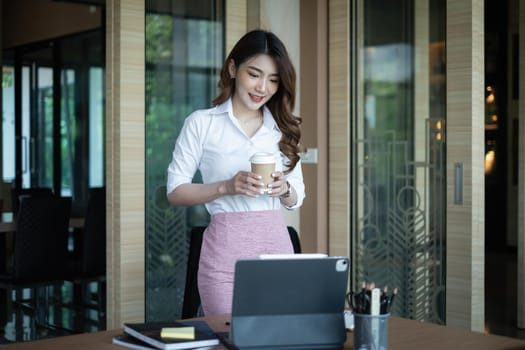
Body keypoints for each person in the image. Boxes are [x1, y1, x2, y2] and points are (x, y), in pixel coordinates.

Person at [166, 29, 305, 315]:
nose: (262, 87)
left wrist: (285, 190)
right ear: (233, 68)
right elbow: (175, 191)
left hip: (278, 255)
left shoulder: (282, 130)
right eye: (254, 74)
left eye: (273, 80)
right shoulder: (202, 124)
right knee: (230, 339)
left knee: (279, 341)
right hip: (223, 262)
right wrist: (225, 187)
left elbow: (297, 197)